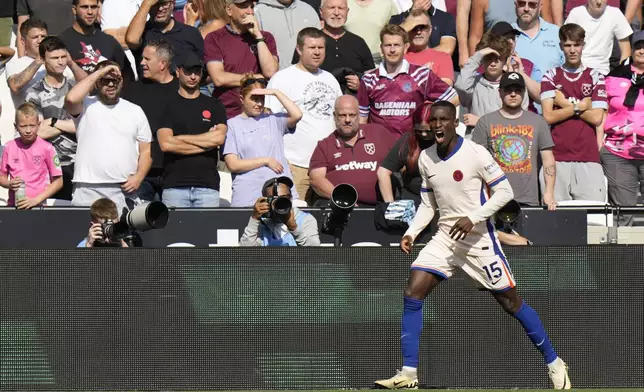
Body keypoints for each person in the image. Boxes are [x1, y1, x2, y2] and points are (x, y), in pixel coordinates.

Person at [373, 101, 571, 390]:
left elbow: (505, 192)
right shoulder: (427, 158)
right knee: (412, 292)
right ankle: (408, 373)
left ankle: (554, 363)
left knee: (511, 303)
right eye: (433, 121)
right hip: (444, 238)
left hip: (479, 241)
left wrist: (473, 218)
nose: (437, 126)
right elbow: (429, 203)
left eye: (443, 120)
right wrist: (412, 232)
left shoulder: (475, 153)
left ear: (455, 123)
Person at [265, 27, 342, 203]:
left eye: (321, 48)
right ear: (299, 49)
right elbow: (270, 123)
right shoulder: (282, 78)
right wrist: (281, 162)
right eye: (311, 48)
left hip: (327, 166)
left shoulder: (330, 78)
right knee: (293, 215)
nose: (317, 52)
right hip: (295, 163)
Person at [65, 61, 152, 213]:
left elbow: (146, 151)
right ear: (97, 82)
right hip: (87, 188)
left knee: (122, 236)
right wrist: (100, 72)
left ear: (121, 81)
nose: (111, 84)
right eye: (105, 80)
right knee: (86, 234)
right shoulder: (85, 105)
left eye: (115, 80)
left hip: (123, 188)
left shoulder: (135, 110)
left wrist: (138, 177)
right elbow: (71, 99)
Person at [540, 23, 607, 202]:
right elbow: (548, 116)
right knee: (555, 222)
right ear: (561, 46)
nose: (572, 50)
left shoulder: (596, 76)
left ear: (583, 45)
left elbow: (596, 117)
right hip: (556, 158)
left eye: (576, 45)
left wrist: (563, 103)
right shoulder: (550, 75)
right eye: (568, 45)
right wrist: (579, 106)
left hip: (588, 158)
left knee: (593, 221)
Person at [472, 72, 557, 209]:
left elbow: (548, 159)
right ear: (500, 92)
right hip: (494, 198)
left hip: (528, 198)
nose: (513, 94)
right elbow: (476, 162)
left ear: (524, 93)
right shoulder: (486, 121)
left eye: (518, 90)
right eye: (508, 90)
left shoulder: (537, 121)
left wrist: (549, 192)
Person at [358, 24, 458, 137]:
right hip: (380, 147)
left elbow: (454, 98)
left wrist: (430, 115)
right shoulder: (369, 79)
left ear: (406, 47)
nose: (392, 50)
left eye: (396, 45)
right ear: (381, 48)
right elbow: (362, 120)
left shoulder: (422, 75)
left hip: (413, 146)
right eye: (388, 45)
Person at [157, 53, 227, 207]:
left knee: (207, 231)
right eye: (188, 71)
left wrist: (180, 138)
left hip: (208, 186)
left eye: (197, 71)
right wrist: (206, 142)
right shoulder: (166, 104)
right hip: (174, 185)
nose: (193, 76)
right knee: (175, 232)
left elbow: (219, 138)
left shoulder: (214, 105)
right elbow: (166, 144)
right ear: (178, 71)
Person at [223, 74, 303, 207]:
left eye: (262, 99)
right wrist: (265, 160)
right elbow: (233, 165)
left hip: (280, 193)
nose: (259, 104)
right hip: (248, 196)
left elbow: (297, 114)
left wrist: (275, 92)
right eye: (254, 99)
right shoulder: (232, 125)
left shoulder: (274, 120)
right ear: (242, 99)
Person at [25, 36, 88, 201]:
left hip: (80, 161)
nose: (61, 62)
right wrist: (71, 124)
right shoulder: (35, 92)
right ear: (44, 60)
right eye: (55, 58)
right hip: (50, 164)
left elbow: (84, 125)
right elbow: (36, 132)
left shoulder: (75, 87)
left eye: (63, 57)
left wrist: (53, 122)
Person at [309, 95, 395, 206]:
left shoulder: (379, 133)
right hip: (342, 207)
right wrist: (342, 198)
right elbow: (316, 179)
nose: (348, 120)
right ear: (335, 116)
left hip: (379, 207)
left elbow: (401, 162)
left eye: (352, 115)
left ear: (359, 115)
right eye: (342, 115)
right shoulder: (325, 145)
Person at [121, 40, 179, 202]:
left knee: (173, 224)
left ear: (162, 64)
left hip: (173, 173)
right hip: (139, 174)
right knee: (138, 221)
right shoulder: (132, 90)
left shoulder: (182, 90)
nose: (142, 63)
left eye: (147, 59)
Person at [204, 0, 279, 118]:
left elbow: (270, 73)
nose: (249, 11)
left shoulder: (266, 37)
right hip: (228, 113)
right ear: (229, 10)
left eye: (251, 6)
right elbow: (219, 78)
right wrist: (256, 78)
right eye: (244, 7)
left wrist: (258, 37)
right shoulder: (214, 38)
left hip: (260, 112)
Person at [600, 30, 644, 226]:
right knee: (624, 214)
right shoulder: (613, 77)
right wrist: (598, 144)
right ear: (631, 49)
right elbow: (601, 111)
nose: (642, 50)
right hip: (617, 152)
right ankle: (625, 255)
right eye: (638, 46)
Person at [291, 0, 374, 95]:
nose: (336, 13)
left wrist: (361, 86)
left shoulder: (358, 42)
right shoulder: (309, 41)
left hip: (351, 105)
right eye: (331, 8)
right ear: (321, 12)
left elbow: (372, 79)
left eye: (341, 8)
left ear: (347, 12)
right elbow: (296, 74)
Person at [455, 32, 529, 129]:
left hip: (506, 141)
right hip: (478, 142)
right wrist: (478, 55)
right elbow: (461, 86)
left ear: (505, 60)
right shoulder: (473, 84)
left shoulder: (515, 85)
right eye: (488, 58)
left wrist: (480, 121)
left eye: (498, 59)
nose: (493, 63)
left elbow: (520, 122)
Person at [0, 103, 63, 208]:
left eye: (32, 126)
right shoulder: (8, 147)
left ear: (38, 125)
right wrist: (9, 184)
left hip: (38, 206)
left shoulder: (47, 148)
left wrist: (35, 200)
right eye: (23, 126)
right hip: (14, 206)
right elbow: (1, 177)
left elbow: (58, 182)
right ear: (16, 127)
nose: (28, 130)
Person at [6, 19, 76, 107]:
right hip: (31, 117)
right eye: (35, 37)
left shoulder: (59, 60)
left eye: (43, 36)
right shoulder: (15, 64)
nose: (40, 40)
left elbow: (81, 87)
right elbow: (14, 86)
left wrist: (71, 64)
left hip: (61, 117)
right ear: (23, 41)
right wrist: (39, 60)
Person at [377, 102, 433, 206]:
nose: (424, 134)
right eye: (419, 130)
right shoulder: (407, 140)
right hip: (414, 198)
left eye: (428, 131)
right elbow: (383, 172)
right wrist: (391, 206)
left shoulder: (447, 141)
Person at [239, 176, 321, 246]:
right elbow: (244, 253)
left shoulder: (305, 219)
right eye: (275, 200)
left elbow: (314, 252)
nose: (280, 202)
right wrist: (254, 219)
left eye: (285, 198)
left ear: (291, 198)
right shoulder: (261, 223)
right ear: (265, 201)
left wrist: (294, 228)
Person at [125, 0, 204, 73]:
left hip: (180, 87)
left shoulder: (190, 32)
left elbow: (204, 69)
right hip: (150, 86)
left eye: (164, 3)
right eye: (155, 5)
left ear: (173, 3)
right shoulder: (142, 33)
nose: (160, 8)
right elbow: (131, 40)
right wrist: (146, 4)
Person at [59, 0, 131, 76]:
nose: (90, 12)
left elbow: (128, 75)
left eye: (93, 7)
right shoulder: (62, 41)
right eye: (85, 7)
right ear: (74, 9)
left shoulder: (110, 41)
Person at [564, 0, 632, 75]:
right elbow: (566, 44)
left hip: (601, 71)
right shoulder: (576, 13)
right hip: (576, 69)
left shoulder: (615, 13)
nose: (599, 2)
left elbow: (625, 49)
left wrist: (620, 74)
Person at [255, 0, 320, 70]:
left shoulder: (308, 10)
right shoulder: (258, 12)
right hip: (273, 77)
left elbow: (319, 44)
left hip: (308, 76)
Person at [512, 0, 564, 80]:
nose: (526, 8)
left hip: (551, 91)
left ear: (540, 7)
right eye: (521, 3)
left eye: (532, 4)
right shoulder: (505, 34)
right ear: (515, 4)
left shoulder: (557, 34)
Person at [401, 9, 454, 86]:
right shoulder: (398, 57)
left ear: (430, 30)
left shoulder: (443, 57)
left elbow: (445, 90)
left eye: (423, 27)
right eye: (413, 28)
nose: (418, 32)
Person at [389, 0, 457, 56]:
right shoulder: (397, 19)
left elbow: (447, 49)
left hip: (435, 68)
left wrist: (413, 57)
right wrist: (412, 17)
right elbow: (390, 46)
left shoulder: (445, 18)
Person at [344, 0, 399, 65]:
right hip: (346, 63)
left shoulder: (387, 4)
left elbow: (397, 34)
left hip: (377, 64)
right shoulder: (341, 2)